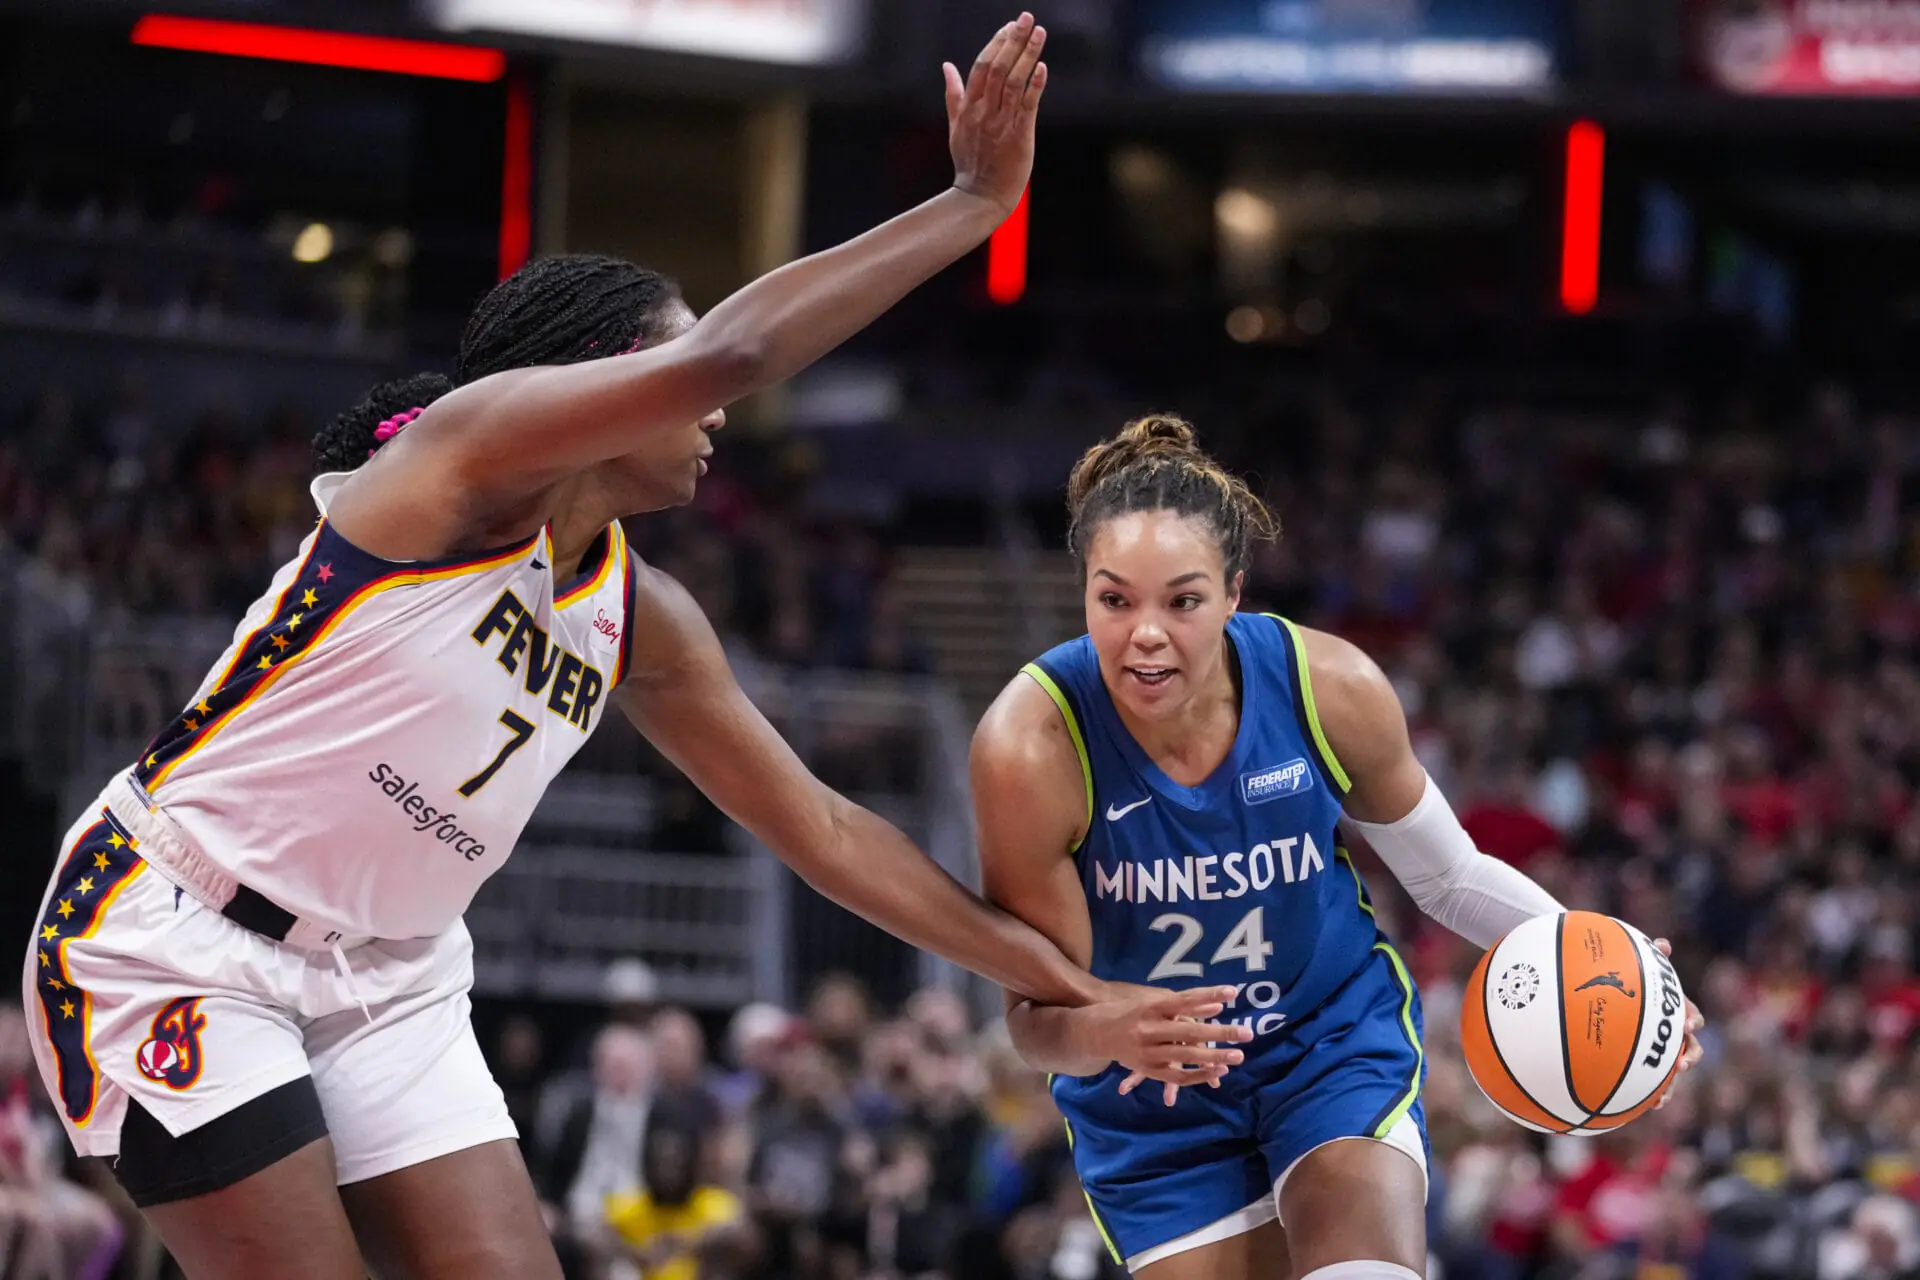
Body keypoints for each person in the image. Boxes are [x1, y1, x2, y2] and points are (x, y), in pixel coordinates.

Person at [18, 22, 1216, 1280]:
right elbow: (737, 353)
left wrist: (1067, 986)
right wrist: (973, 203)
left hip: (395, 977)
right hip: (180, 930)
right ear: (604, 380)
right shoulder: (453, 469)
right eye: (675, 369)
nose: (713, 415)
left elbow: (826, 829)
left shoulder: (644, 615)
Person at [971, 416, 1708, 1280]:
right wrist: (1108, 1026)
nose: (1146, 633)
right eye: (1114, 599)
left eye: (1183, 600)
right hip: (1149, 1097)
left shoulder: (1331, 686)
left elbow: (1450, 876)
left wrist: (1606, 963)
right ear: (1084, 595)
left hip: (1325, 1039)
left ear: (1234, 591)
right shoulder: (1030, 748)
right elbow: (1034, 1023)